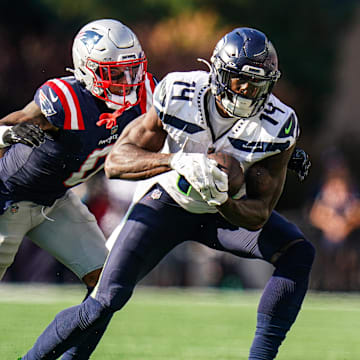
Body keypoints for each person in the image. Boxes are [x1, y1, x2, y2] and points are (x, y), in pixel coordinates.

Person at [20, 27, 315, 360]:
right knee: (104, 300)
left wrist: (223, 199)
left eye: (258, 84)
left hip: (221, 214)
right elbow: (117, 162)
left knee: (298, 252)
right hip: (168, 202)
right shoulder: (181, 91)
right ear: (217, 72)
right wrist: (177, 161)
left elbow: (259, 213)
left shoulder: (279, 123)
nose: (247, 91)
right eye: (238, 80)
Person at [0, 18, 155, 360]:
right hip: (8, 199)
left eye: (131, 71)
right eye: (114, 74)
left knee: (108, 287)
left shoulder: (145, 96)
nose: (126, 83)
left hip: (56, 203)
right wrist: (9, 135)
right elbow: (9, 126)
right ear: (87, 69)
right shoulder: (64, 99)